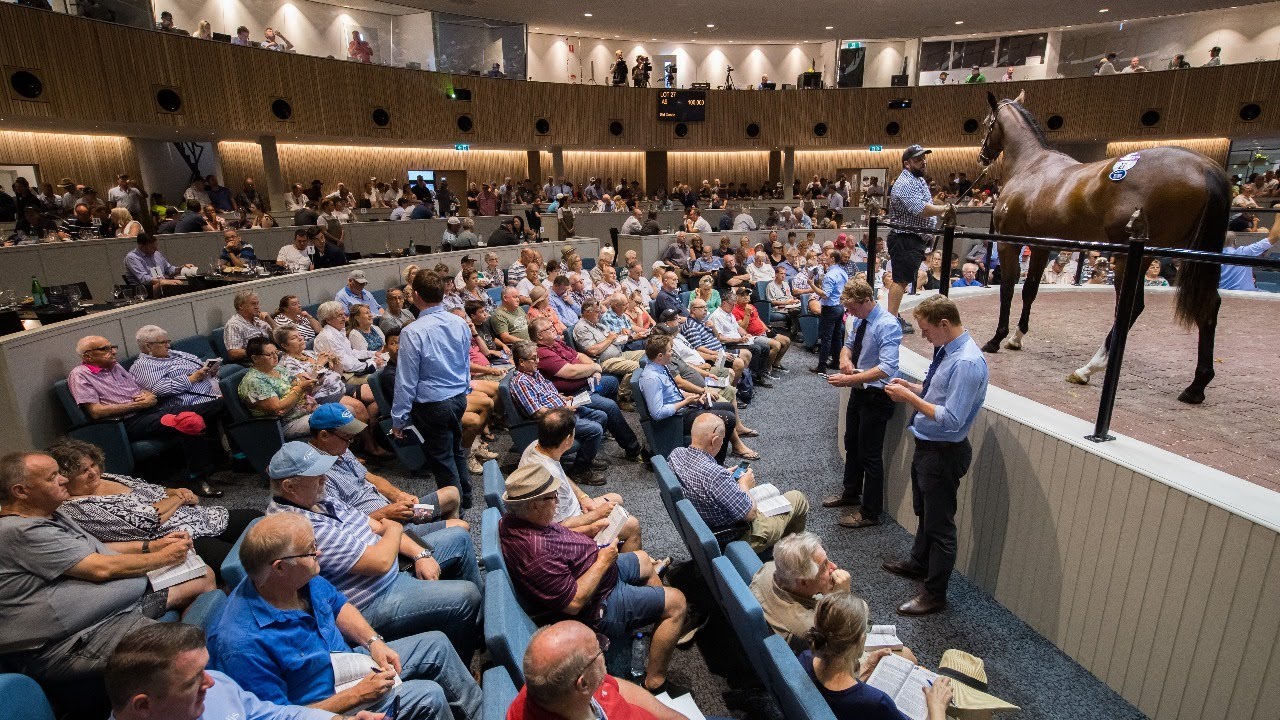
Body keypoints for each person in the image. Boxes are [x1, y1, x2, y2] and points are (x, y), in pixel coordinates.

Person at [208, 514, 480, 719]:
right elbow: (281, 715)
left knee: (437, 644)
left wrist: (374, 642)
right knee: (427, 696)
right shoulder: (242, 644)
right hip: (325, 703)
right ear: (279, 568)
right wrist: (356, 696)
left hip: (345, 664)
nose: (320, 553)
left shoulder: (298, 577)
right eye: (310, 549)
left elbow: (338, 605)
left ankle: (481, 712)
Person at [0, 452, 213, 688]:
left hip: (120, 608)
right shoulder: (17, 532)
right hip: (75, 640)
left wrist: (152, 546)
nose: (63, 480)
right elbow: (100, 568)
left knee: (202, 579)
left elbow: (97, 551)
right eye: (52, 477)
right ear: (21, 492)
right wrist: (163, 557)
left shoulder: (51, 513)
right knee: (186, 650)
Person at [263, 442, 482, 653]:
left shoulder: (319, 498)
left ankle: (479, 624)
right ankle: (467, 649)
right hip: (374, 598)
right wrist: (394, 528)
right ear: (289, 486)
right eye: (317, 476)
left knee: (459, 536)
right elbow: (380, 562)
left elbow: (377, 525)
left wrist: (419, 553)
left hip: (393, 556)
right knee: (466, 596)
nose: (324, 479)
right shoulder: (298, 526)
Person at [499, 464, 694, 697]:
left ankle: (647, 620)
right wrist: (603, 560)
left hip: (599, 572)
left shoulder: (517, 520)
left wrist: (591, 529)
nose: (558, 503)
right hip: (599, 603)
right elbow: (573, 604)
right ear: (534, 505)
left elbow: (556, 532)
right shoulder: (535, 553)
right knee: (678, 602)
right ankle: (654, 682)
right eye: (552, 498)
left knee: (642, 559)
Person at [882, 294, 989, 615]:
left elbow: (952, 418)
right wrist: (913, 389)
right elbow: (939, 396)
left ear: (945, 324)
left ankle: (934, 594)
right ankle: (919, 562)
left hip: (944, 453)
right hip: (929, 446)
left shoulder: (967, 362)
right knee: (926, 514)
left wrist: (908, 398)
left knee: (940, 527)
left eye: (926, 330)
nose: (923, 335)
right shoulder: (947, 350)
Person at [47, 438, 258, 584]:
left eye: (93, 465)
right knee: (244, 562)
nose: (93, 472)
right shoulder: (76, 506)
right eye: (83, 471)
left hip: (195, 517)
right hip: (175, 539)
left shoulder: (107, 477)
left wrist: (177, 492)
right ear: (65, 477)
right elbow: (146, 519)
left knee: (256, 521)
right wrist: (178, 498)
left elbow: (155, 489)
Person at [106, 623, 387, 720]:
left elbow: (273, 715)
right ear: (143, 706)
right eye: (193, 681)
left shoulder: (216, 685)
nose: (211, 681)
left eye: (204, 668)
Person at [68, 335, 223, 497]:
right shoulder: (80, 375)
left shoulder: (115, 366)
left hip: (150, 411)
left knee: (220, 405)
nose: (113, 352)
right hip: (127, 422)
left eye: (112, 347)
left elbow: (140, 390)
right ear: (88, 355)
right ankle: (198, 478)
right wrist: (138, 405)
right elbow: (96, 411)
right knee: (190, 421)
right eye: (105, 349)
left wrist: (149, 396)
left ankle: (228, 459)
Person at [392, 270, 476, 508]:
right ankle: (467, 498)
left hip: (432, 405)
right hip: (458, 397)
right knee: (456, 450)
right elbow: (464, 361)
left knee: (442, 459)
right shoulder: (459, 322)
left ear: (416, 295)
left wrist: (399, 419)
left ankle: (455, 511)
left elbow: (406, 380)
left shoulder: (412, 331)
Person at [821, 280, 902, 527]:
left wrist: (850, 379)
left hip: (877, 396)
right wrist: (845, 359)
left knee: (870, 454)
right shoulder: (859, 319)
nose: (850, 313)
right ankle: (850, 493)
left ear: (867, 301)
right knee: (851, 443)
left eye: (853, 307)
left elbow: (887, 368)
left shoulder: (887, 324)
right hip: (859, 390)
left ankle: (870, 513)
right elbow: (847, 346)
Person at [802, 592, 954, 720]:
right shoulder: (875, 702)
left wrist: (866, 667)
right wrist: (937, 706)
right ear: (861, 640)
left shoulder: (804, 659)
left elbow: (837, 698)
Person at [667, 413, 806, 552]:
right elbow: (750, 514)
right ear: (715, 440)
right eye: (722, 440)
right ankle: (792, 556)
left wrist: (725, 475)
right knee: (797, 498)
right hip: (735, 536)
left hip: (703, 526)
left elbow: (698, 478)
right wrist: (744, 484)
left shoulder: (676, 455)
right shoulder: (715, 475)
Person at [510, 620, 692, 720]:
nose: (604, 648)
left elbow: (618, 687)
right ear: (583, 684)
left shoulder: (545, 685)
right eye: (599, 649)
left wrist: (672, 717)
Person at [520, 407, 643, 551]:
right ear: (568, 439)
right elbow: (558, 528)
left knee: (616, 498)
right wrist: (596, 515)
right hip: (567, 533)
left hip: (572, 512)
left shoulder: (536, 446)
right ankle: (628, 568)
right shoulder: (550, 477)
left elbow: (561, 475)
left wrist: (582, 496)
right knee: (632, 525)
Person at [887, 145, 954, 333]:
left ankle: (893, 317)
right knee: (900, 281)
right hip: (905, 238)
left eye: (924, 158)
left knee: (903, 280)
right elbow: (922, 209)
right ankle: (890, 321)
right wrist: (944, 209)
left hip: (912, 239)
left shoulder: (917, 179)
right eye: (918, 160)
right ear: (907, 164)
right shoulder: (905, 183)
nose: (923, 162)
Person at [749, 532, 852, 652]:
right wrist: (842, 599)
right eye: (824, 566)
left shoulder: (768, 569)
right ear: (804, 582)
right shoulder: (808, 628)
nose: (833, 566)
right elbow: (845, 644)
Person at [239, 337, 318, 438]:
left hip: (306, 410)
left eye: (276, 352)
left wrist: (300, 390)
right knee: (334, 421)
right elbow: (278, 409)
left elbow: (298, 386)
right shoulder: (253, 381)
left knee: (341, 412)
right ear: (255, 358)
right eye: (270, 355)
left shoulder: (278, 368)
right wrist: (300, 389)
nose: (276, 356)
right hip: (287, 423)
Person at [124, 233, 190, 292]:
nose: (156, 249)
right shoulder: (132, 257)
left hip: (161, 285)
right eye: (152, 247)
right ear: (142, 246)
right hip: (143, 290)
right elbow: (144, 279)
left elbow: (169, 270)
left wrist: (181, 269)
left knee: (188, 286)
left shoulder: (156, 254)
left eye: (156, 246)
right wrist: (164, 282)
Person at [1219, 222, 1277, 290]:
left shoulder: (1213, 256)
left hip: (1221, 295)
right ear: (1235, 241)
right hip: (1247, 296)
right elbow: (1274, 237)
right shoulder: (1243, 252)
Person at [224, 290, 276, 362]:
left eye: (257, 304)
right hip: (252, 360)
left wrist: (270, 321)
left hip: (270, 355)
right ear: (241, 306)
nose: (257, 307)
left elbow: (280, 338)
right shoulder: (234, 324)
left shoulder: (259, 320)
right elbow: (233, 353)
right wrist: (261, 351)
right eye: (253, 304)